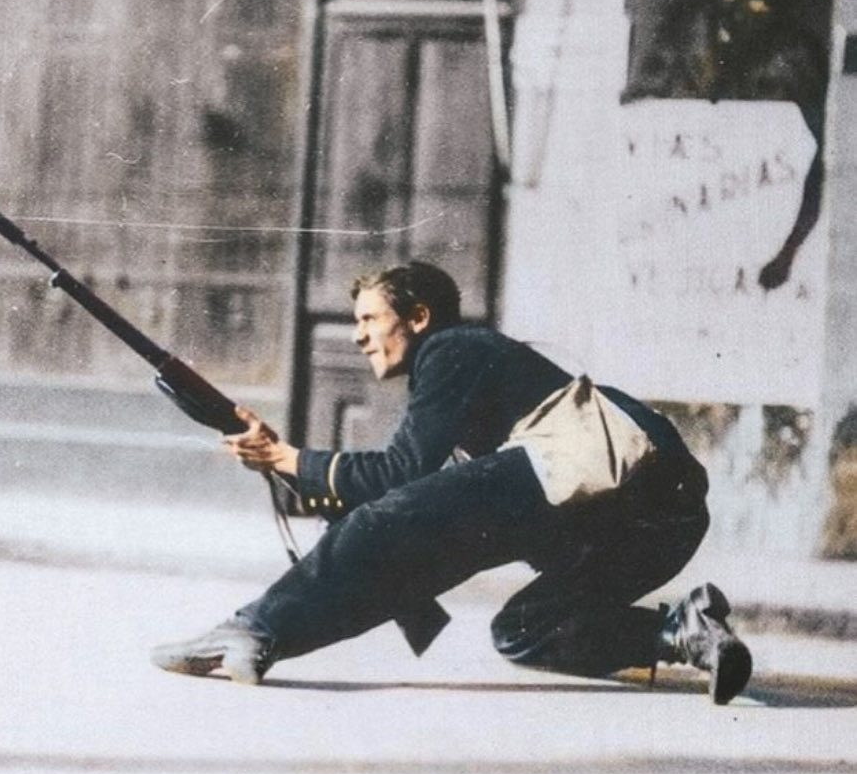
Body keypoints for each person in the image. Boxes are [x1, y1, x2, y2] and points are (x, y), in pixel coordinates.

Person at [151, 261, 753, 704]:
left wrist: (289, 458)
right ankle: (686, 630)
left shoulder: (450, 350)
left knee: (386, 519)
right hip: (664, 518)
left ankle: (254, 629)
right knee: (522, 632)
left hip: (606, 478)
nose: (359, 335)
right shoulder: (471, 374)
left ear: (417, 318)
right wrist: (283, 460)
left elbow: (398, 476)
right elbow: (421, 513)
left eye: (370, 319)